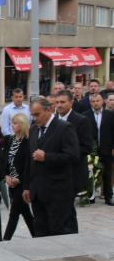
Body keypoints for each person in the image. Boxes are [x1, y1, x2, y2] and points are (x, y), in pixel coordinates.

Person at [23, 98, 80, 237]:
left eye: (37, 114)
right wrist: (26, 187)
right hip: (37, 192)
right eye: (32, 115)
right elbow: (28, 161)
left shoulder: (64, 127)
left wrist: (47, 157)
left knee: (58, 229)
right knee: (40, 230)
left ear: (48, 110)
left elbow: (73, 156)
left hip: (57, 192)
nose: (35, 118)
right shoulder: (33, 129)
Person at [55, 89, 93, 232]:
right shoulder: (53, 120)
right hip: (56, 172)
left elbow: (87, 147)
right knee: (61, 208)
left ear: (71, 103)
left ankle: (72, 235)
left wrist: (68, 155)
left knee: (67, 207)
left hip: (73, 171)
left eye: (62, 102)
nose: (59, 105)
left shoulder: (81, 120)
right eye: (57, 102)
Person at [2, 114, 34, 240]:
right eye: (12, 123)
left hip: (22, 182)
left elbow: (29, 164)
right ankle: (36, 234)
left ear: (23, 124)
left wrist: (18, 179)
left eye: (16, 123)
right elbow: (5, 160)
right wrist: (5, 176)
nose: (13, 126)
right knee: (25, 212)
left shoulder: (28, 141)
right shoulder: (9, 139)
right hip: (11, 182)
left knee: (14, 212)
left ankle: (6, 239)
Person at [82, 93, 114, 206]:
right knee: (91, 173)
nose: (96, 103)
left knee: (107, 173)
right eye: (93, 101)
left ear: (103, 101)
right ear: (90, 103)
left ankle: (108, 196)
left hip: (106, 148)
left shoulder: (110, 115)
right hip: (91, 150)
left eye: (98, 101)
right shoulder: (85, 115)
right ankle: (91, 196)